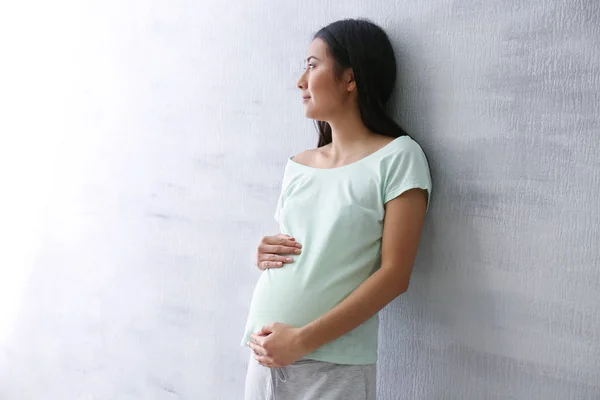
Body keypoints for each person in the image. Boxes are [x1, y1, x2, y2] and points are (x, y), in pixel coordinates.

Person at [240, 18, 433, 400]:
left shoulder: (398, 157)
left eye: (312, 65)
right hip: (265, 355)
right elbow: (308, 251)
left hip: (333, 366)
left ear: (350, 78)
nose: (301, 81)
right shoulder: (299, 163)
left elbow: (395, 275)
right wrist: (263, 254)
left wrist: (301, 340)